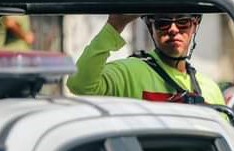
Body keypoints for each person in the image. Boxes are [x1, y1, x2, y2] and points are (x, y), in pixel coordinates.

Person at [67, 14, 225, 105]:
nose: (173, 29)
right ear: (151, 29)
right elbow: (79, 85)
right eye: (163, 23)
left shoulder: (210, 88)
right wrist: (114, 25)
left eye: (183, 22)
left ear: (195, 26)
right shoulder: (129, 73)